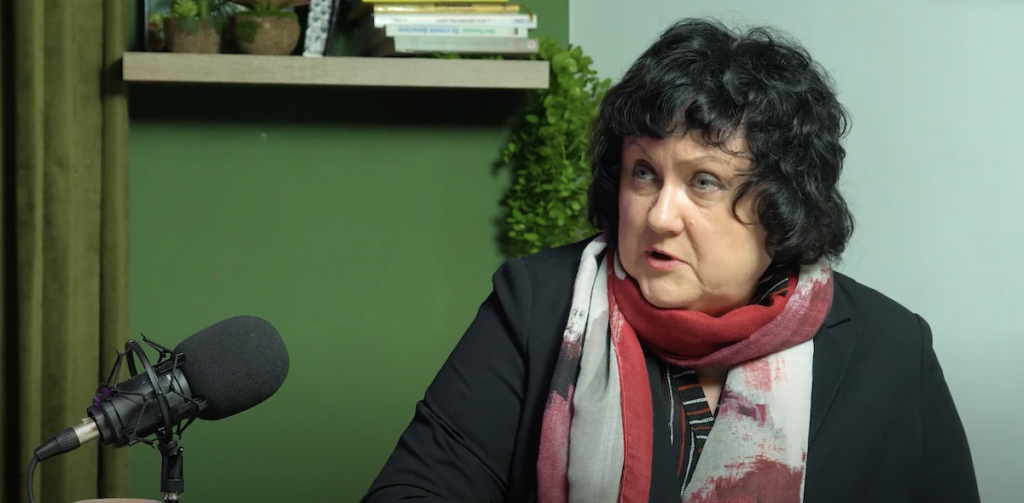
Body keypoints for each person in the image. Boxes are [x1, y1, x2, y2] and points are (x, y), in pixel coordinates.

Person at [360, 17, 980, 503]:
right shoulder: (535, 305)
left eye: (704, 181)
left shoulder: (892, 349)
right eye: (644, 173)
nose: (659, 216)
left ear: (782, 204)